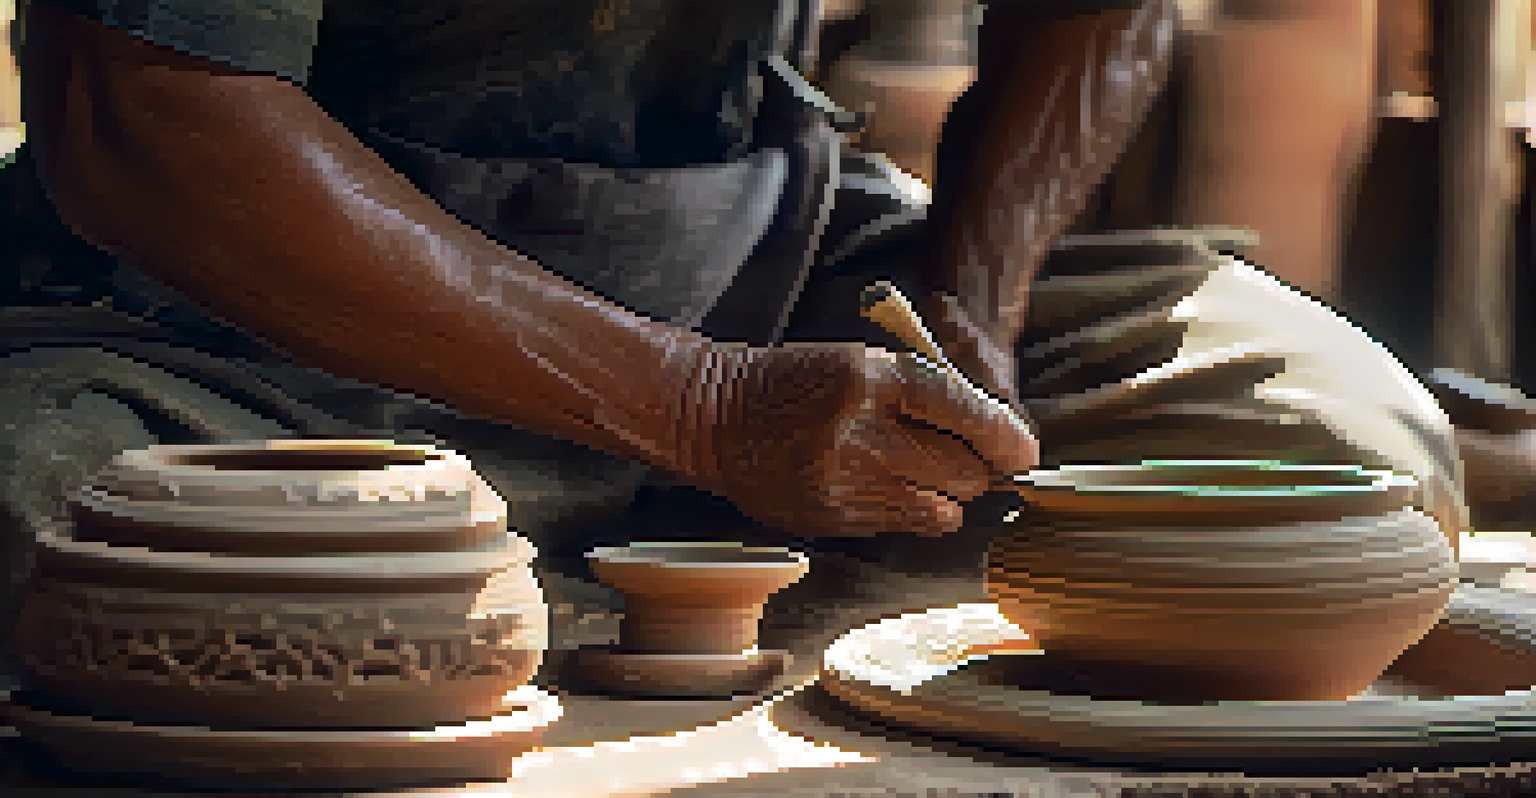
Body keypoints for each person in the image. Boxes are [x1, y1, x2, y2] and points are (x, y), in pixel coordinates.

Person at [3, 0, 1466, 656]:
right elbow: (139, 111)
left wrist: (977, 306)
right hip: (244, 325)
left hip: (756, 244)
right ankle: (653, 557)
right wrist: (702, 409)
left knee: (1336, 436)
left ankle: (583, 573)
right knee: (41, 524)